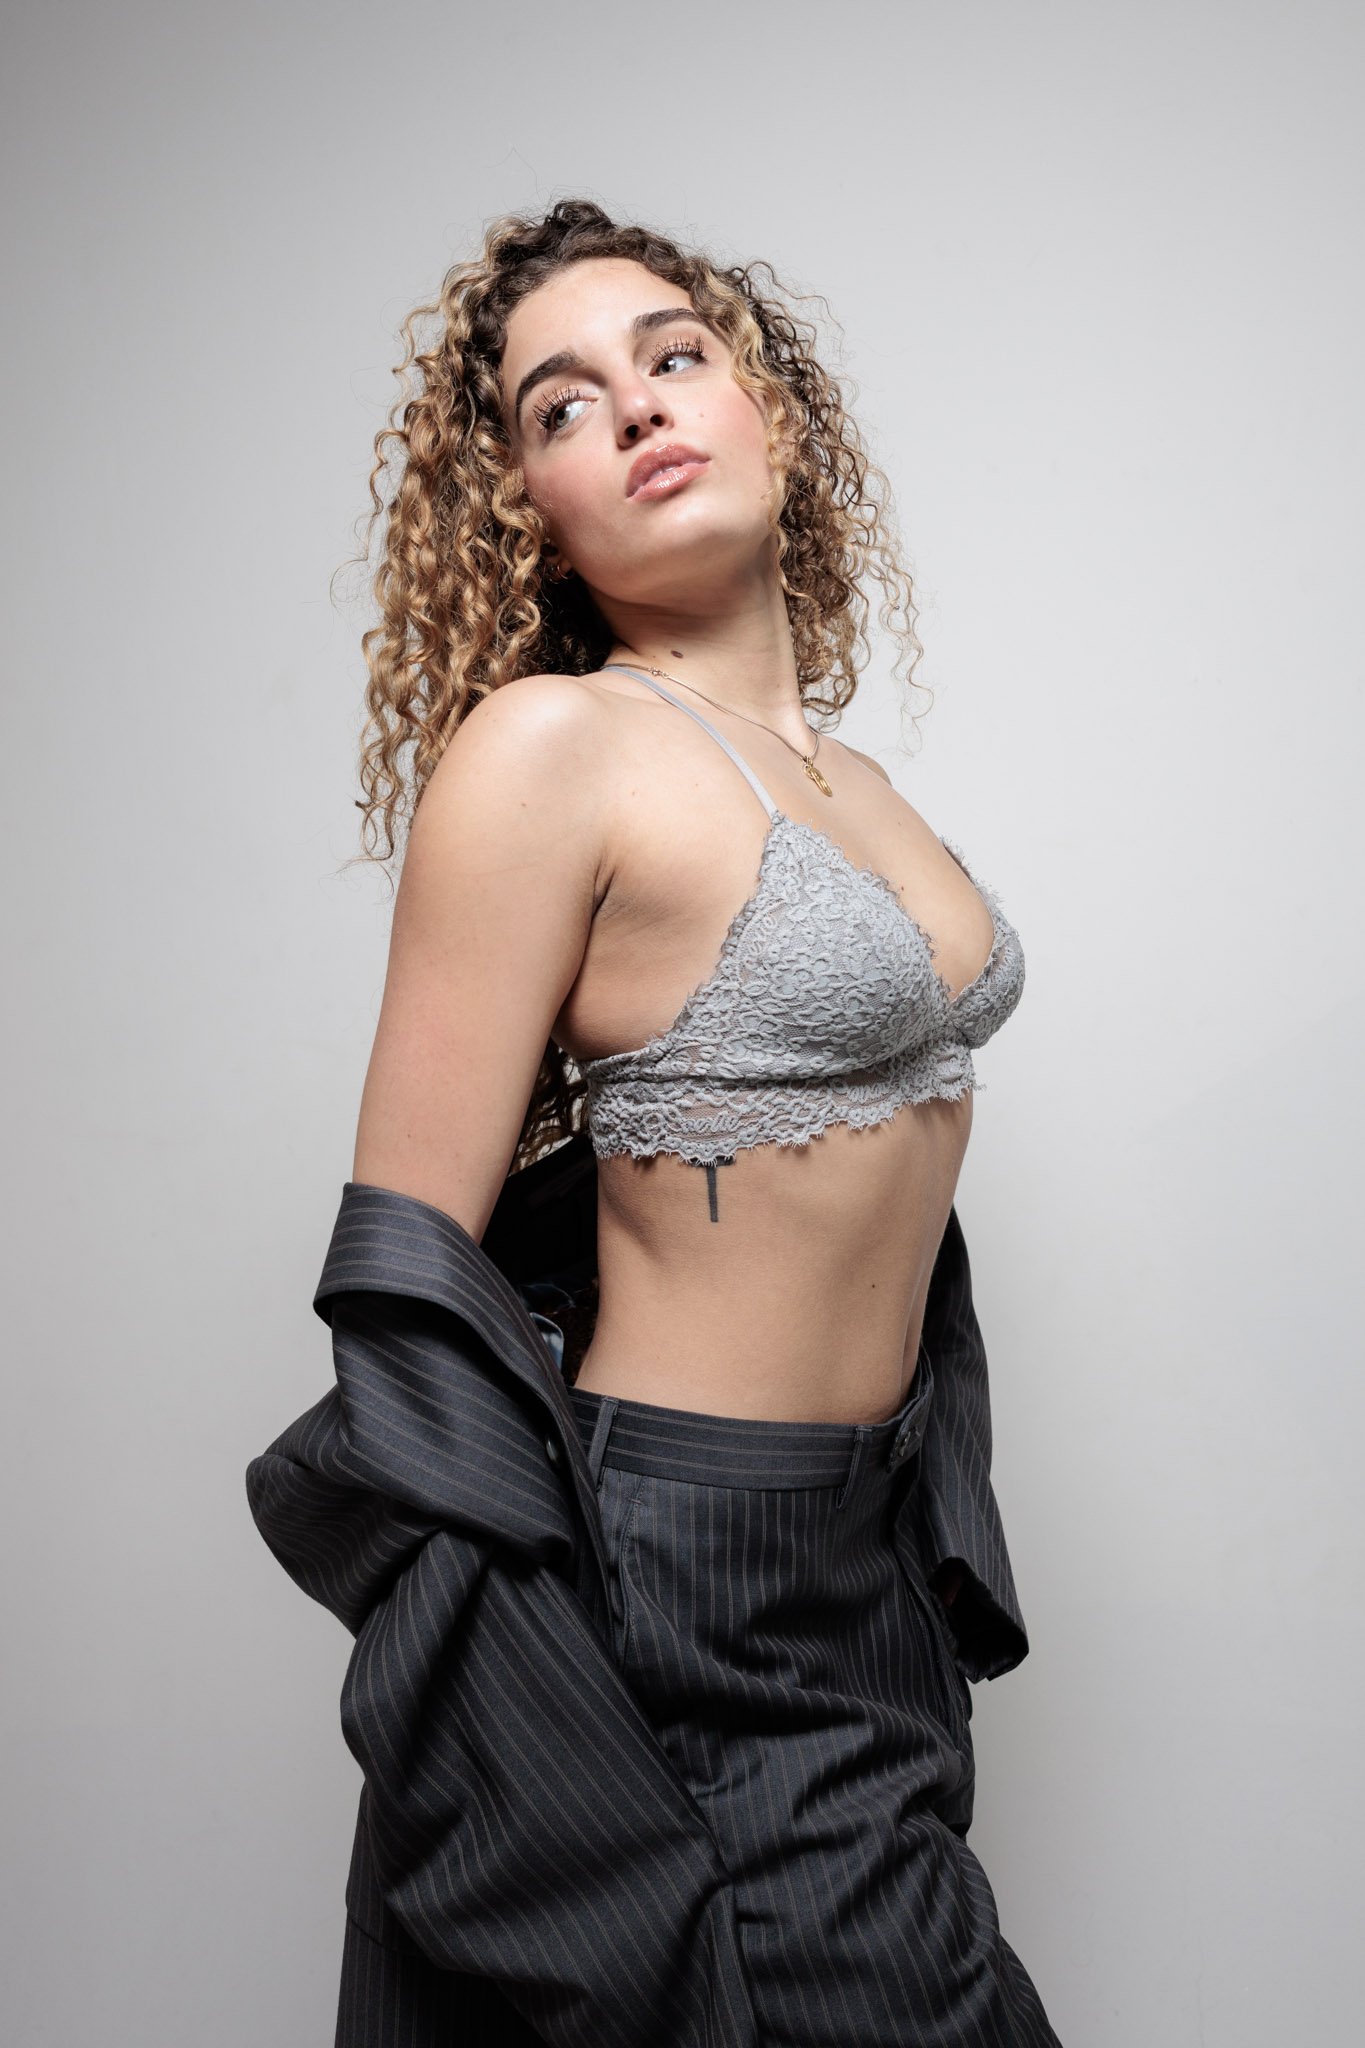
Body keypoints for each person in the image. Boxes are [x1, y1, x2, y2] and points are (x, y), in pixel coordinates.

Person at [322, 197, 1058, 2043]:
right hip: (683, 1577)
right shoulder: (551, 750)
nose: (636, 407)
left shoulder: (853, 778)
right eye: (561, 405)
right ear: (526, 510)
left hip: (864, 1554)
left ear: (770, 415)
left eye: (674, 356)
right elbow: (405, 1267)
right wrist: (513, 1662)